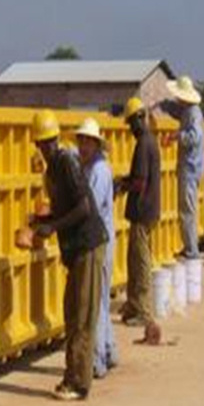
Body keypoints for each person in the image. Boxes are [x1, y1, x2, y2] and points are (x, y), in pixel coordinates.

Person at [30, 109, 108, 400]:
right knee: (71, 311)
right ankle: (71, 376)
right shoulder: (53, 169)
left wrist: (52, 226)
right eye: (41, 143)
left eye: (48, 142)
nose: (45, 148)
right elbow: (65, 208)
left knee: (82, 314)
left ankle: (80, 382)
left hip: (87, 244)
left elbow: (84, 208)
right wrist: (40, 222)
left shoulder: (66, 163)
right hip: (76, 249)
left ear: (55, 141)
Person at [74, 117, 118, 378]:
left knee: (97, 302)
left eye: (86, 142)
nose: (82, 146)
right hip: (100, 238)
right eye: (80, 141)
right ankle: (109, 350)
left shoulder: (99, 171)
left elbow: (89, 207)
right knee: (100, 297)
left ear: (95, 143)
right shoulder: (91, 167)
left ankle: (98, 359)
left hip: (100, 241)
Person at [115, 97, 161, 329]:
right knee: (134, 259)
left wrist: (122, 186)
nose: (131, 128)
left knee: (140, 261)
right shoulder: (150, 141)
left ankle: (143, 310)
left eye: (132, 122)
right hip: (147, 210)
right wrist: (124, 181)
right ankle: (134, 305)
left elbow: (140, 182)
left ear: (140, 119)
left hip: (143, 210)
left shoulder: (143, 144)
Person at [163, 76, 204, 259]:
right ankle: (190, 247)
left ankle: (191, 250)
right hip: (191, 168)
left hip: (190, 168)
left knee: (187, 210)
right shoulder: (189, 111)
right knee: (187, 209)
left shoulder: (193, 113)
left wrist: (176, 136)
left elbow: (194, 137)